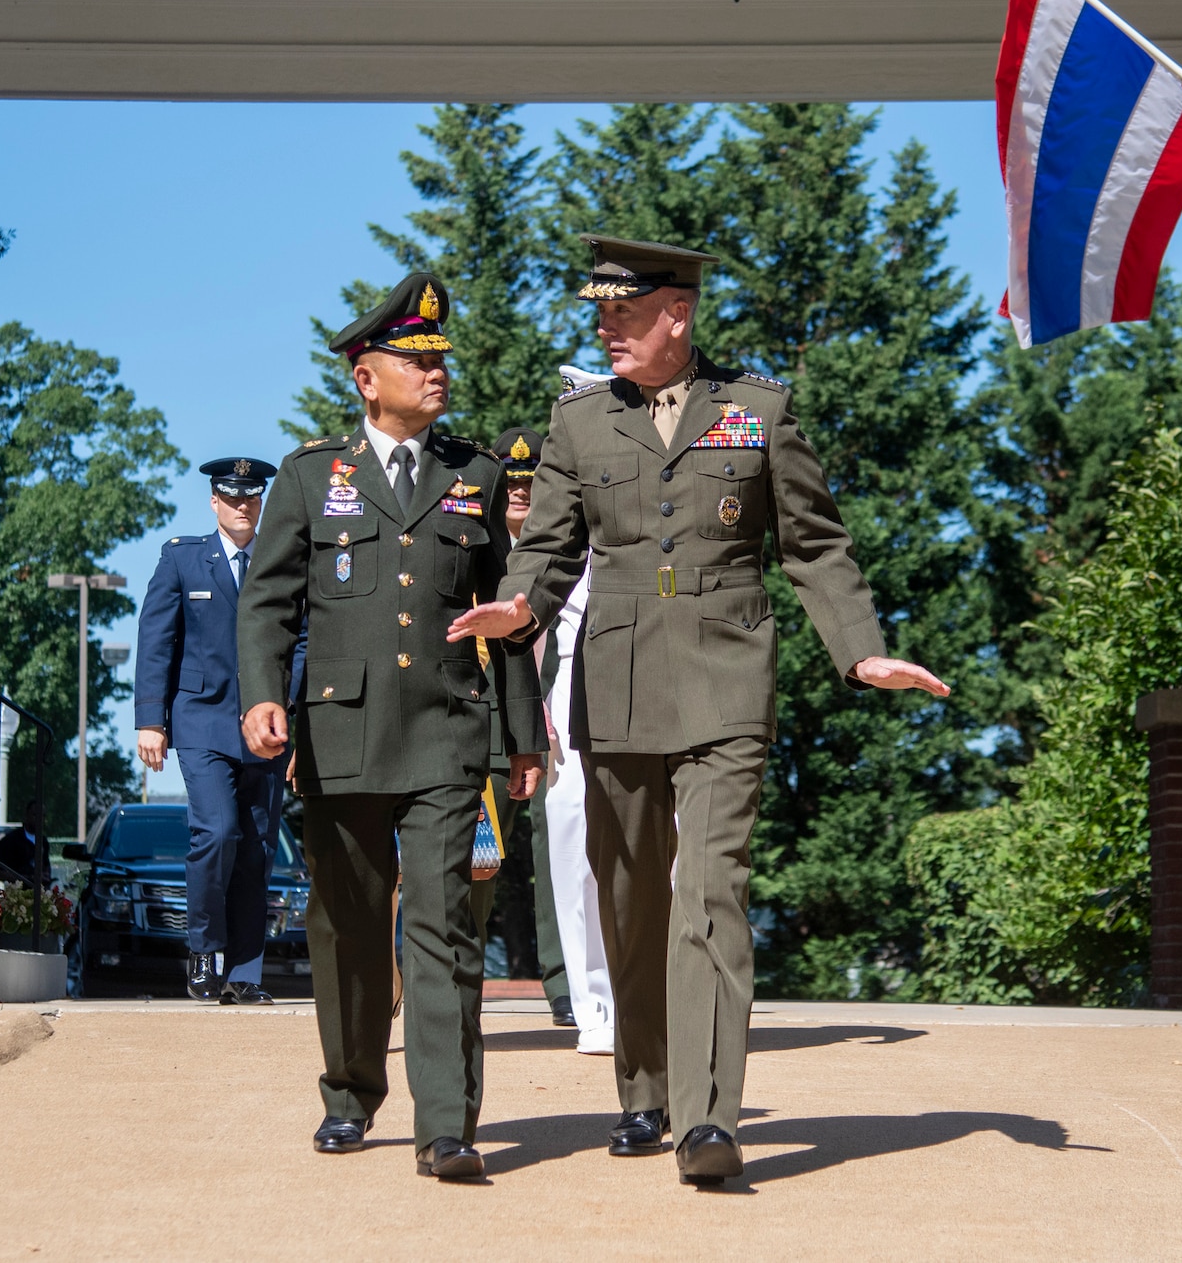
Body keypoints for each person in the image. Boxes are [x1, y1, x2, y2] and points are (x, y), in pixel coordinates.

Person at [449, 236, 949, 1186]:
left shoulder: (757, 411)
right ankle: (643, 1089)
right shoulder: (580, 422)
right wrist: (519, 608)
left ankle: (707, 1118)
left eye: (623, 314)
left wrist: (860, 648)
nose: (605, 328)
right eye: (600, 313)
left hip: (727, 680)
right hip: (620, 682)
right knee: (630, 900)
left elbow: (815, 544)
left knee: (709, 893)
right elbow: (547, 550)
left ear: (676, 314)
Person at [237, 272, 545, 1182]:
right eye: (416, 360)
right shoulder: (308, 477)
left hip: (451, 732)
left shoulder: (476, 474)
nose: (437, 371)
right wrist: (262, 695)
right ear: (366, 378)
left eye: (441, 357)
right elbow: (267, 605)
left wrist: (520, 733)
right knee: (351, 922)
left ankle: (447, 1123)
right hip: (338, 737)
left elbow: (509, 615)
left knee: (446, 925)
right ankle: (350, 1091)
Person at [135, 455, 291, 1006]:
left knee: (258, 848)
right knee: (218, 832)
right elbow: (157, 640)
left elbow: (300, 644)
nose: (244, 504)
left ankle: (245, 972)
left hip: (266, 727)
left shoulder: (280, 562)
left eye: (252, 495)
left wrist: (294, 718)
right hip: (200, 719)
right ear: (214, 501)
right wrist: (151, 721)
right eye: (232, 495)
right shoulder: (183, 559)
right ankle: (205, 949)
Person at [506, 392, 620, 1057]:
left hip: (644, 672)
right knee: (573, 842)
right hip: (570, 687)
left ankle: (649, 996)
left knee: (657, 848)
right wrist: (533, 717)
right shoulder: (550, 528)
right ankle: (592, 1005)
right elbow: (527, 631)